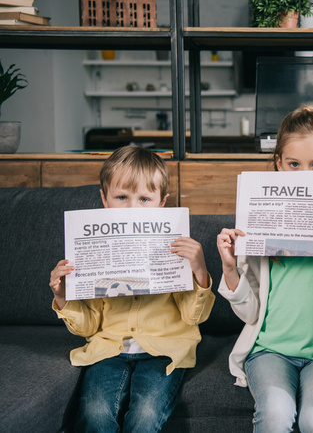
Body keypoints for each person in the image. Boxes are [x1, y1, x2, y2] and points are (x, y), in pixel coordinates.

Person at [217, 105, 313, 432]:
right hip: (269, 351)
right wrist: (230, 266)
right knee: (275, 415)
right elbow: (249, 314)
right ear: (278, 164)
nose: (305, 174)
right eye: (294, 164)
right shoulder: (257, 224)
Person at [49, 145, 216, 432]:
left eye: (144, 199)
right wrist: (63, 296)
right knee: (94, 413)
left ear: (161, 203)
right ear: (104, 198)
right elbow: (88, 327)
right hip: (107, 350)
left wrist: (199, 270)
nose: (132, 208)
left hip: (163, 350)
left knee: (146, 416)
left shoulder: (176, 247)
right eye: (122, 197)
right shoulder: (89, 250)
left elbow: (192, 318)